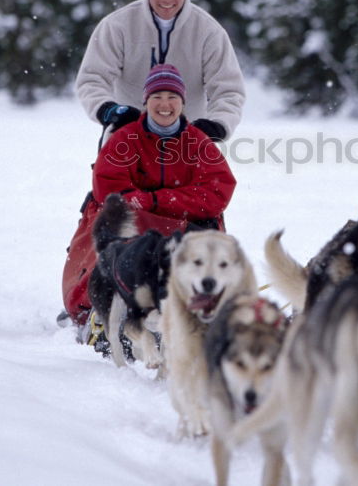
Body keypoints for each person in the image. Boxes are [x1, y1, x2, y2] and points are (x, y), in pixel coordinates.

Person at [61, 64, 236, 325]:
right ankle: (98, 310)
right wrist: (155, 204)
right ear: (145, 102)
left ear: (183, 103)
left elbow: (215, 192)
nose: (164, 104)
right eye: (157, 97)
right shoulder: (125, 138)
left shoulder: (198, 142)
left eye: (172, 97)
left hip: (183, 225)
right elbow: (111, 189)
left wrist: (154, 200)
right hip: (135, 226)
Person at [74, 0, 246, 143]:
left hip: (188, 140)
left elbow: (229, 90)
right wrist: (107, 110)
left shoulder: (209, 32)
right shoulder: (116, 26)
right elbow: (92, 79)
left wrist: (218, 124)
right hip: (127, 136)